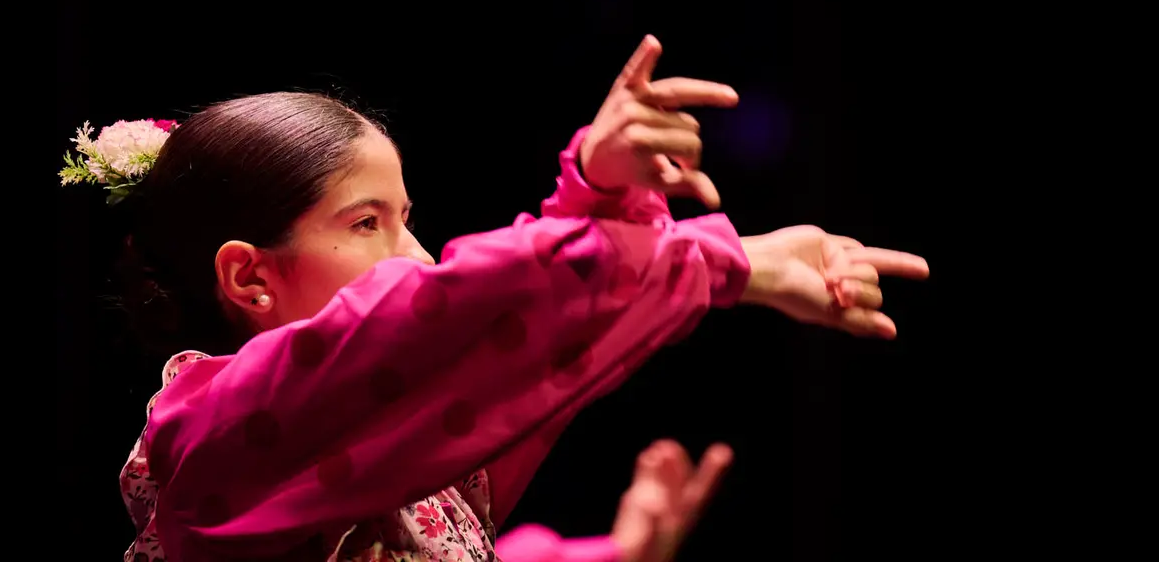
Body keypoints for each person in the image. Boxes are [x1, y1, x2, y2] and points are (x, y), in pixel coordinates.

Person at [64, 36, 929, 560]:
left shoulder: (384, 450)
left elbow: (502, 335)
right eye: (365, 223)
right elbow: (460, 308)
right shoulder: (211, 439)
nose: (414, 253)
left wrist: (614, 553)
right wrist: (724, 260)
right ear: (250, 276)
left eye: (407, 219)